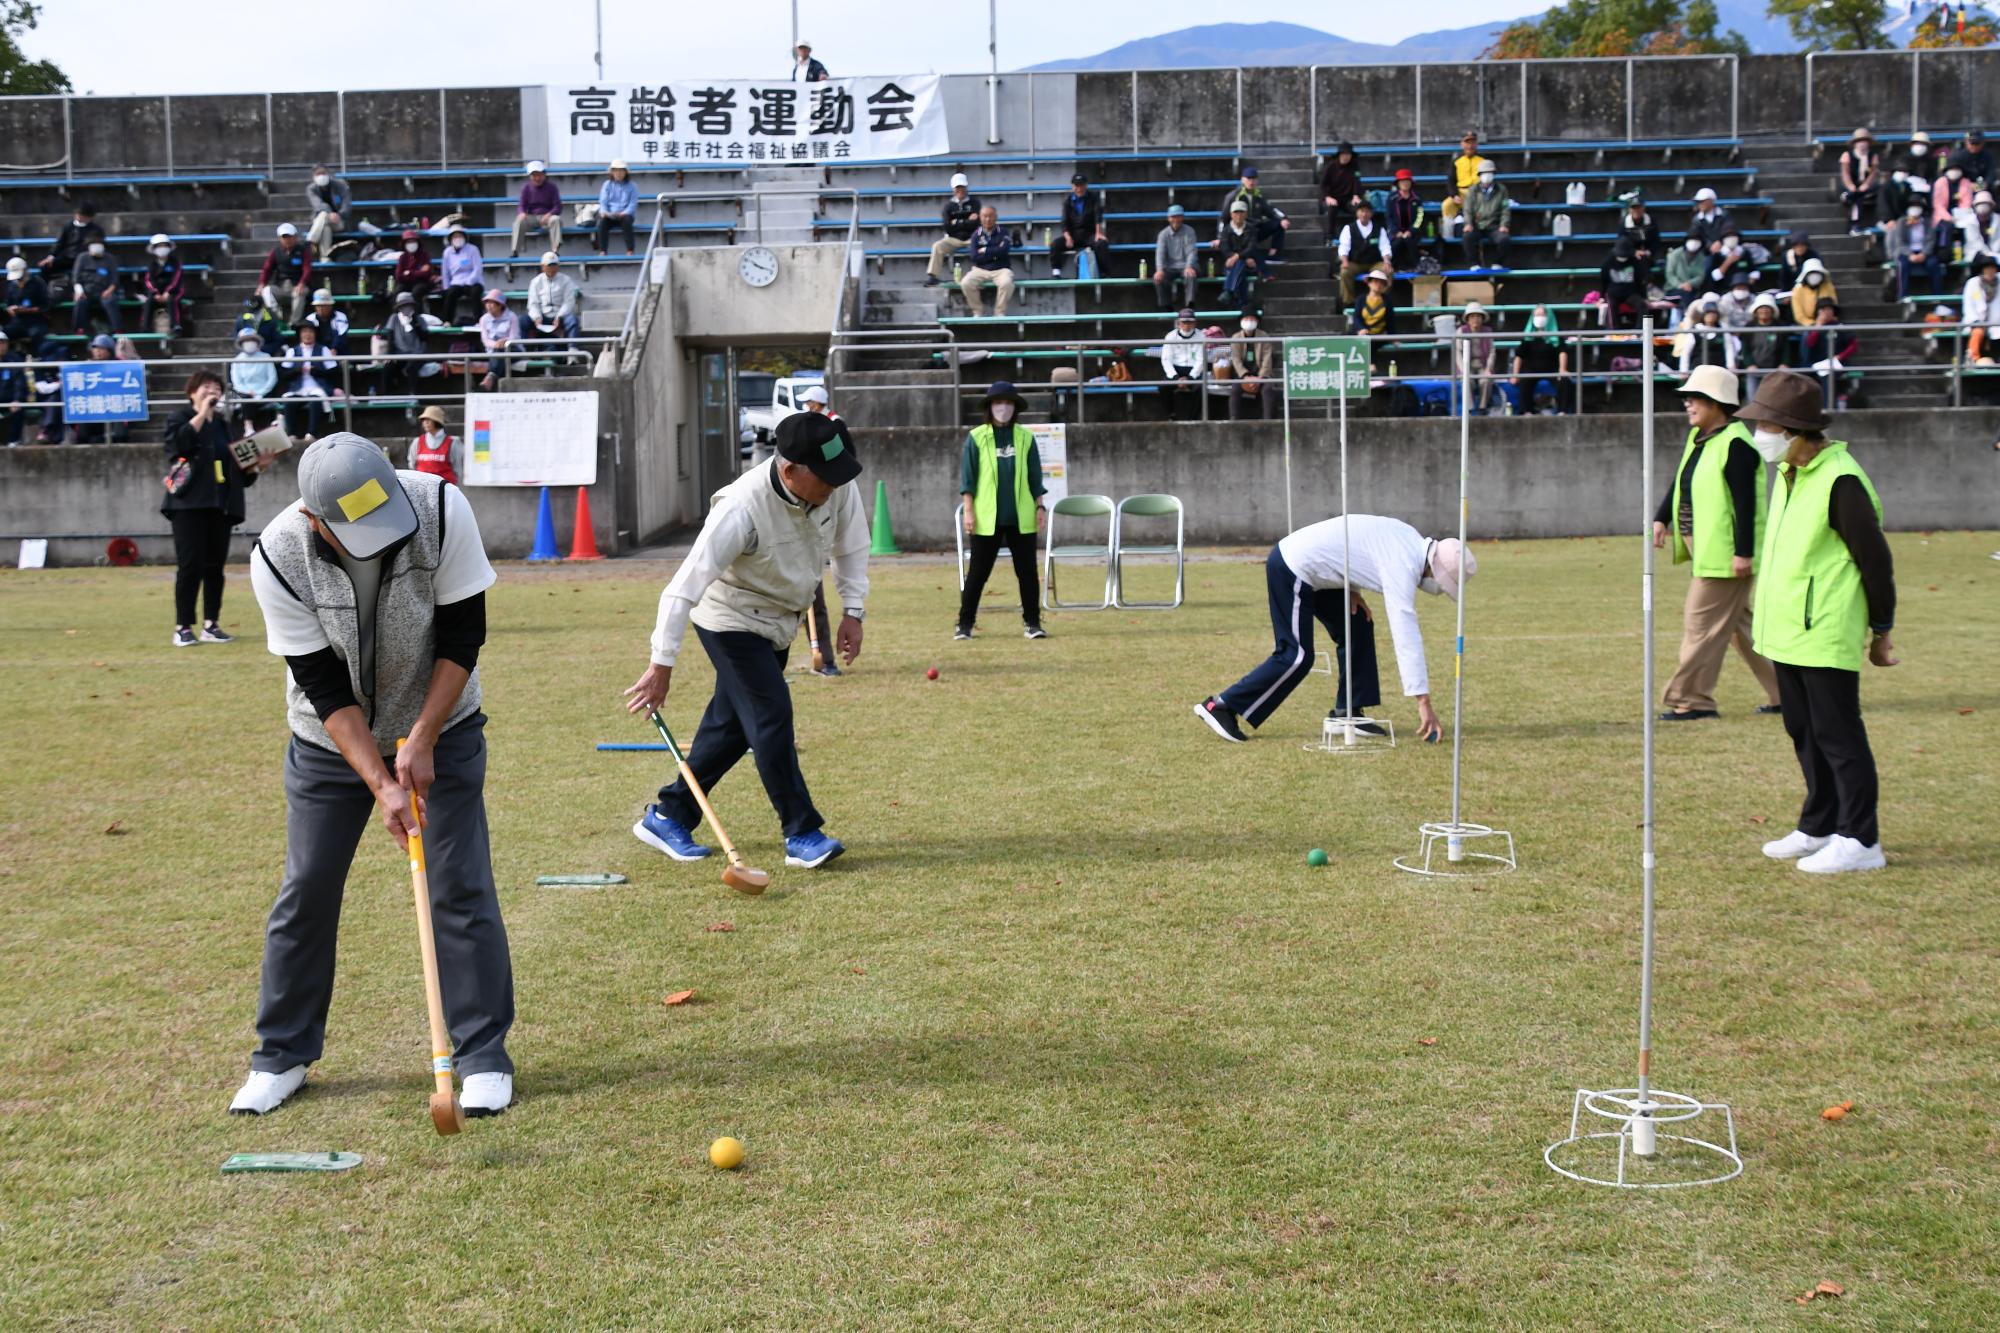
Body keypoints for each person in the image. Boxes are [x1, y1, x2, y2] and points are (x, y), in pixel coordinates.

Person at [232, 434, 514, 1117]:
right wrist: (381, 781)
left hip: (441, 726)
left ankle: (481, 1056)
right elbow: (324, 687)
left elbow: (462, 637)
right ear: (315, 519)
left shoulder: (442, 509)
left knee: (459, 881)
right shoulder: (277, 553)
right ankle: (283, 1052)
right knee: (308, 886)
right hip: (331, 743)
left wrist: (421, 738)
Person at [625, 409, 867, 870]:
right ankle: (801, 831)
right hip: (729, 619)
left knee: (733, 728)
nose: (834, 488)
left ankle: (668, 813)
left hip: (779, 620)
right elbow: (683, 587)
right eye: (825, 478)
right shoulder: (740, 507)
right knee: (771, 714)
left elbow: (852, 545)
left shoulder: (837, 484)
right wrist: (661, 664)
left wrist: (853, 611)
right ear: (790, 469)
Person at [1738, 371, 1897, 874]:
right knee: (1804, 730)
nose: (1758, 432)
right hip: (1786, 631)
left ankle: (1860, 839)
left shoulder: (1840, 478)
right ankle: (1820, 824)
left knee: (1838, 735)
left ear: (1795, 430)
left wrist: (1882, 629)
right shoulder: (1790, 473)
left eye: (1766, 423)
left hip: (1823, 629)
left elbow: (1875, 561)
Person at [1193, 514, 1472, 744]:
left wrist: (1350, 587)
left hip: (1324, 573)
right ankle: (1222, 706)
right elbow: (1405, 633)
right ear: (1437, 572)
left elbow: (1359, 545)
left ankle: (1347, 710)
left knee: (1358, 623)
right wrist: (1423, 700)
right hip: (1293, 566)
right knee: (1297, 655)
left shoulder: (1411, 540)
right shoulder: (1405, 564)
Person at [1650, 365, 1781, 722]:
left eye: (1695, 398)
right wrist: (1662, 516)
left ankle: (1692, 700)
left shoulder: (1737, 445)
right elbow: (1682, 482)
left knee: (1700, 625)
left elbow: (1746, 504)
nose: (1688, 404)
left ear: (1717, 403)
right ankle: (1790, 692)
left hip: (1725, 556)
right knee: (1742, 631)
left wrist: (1743, 552)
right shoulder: (1702, 439)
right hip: (1706, 549)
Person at [163, 369, 273, 647]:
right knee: (190, 566)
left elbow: (240, 471)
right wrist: (201, 413)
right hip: (188, 505)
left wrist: (259, 465)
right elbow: (180, 445)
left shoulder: (225, 426)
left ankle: (211, 624)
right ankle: (183, 626)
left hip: (220, 505)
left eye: (216, 388)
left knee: (215, 567)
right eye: (206, 387)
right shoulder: (180, 418)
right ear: (191, 392)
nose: (212, 391)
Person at [953, 381, 1045, 639]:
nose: (1002, 408)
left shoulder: (1026, 437)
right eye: (997, 403)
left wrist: (1040, 506)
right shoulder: (977, 437)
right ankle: (964, 624)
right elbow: (968, 479)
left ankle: (1033, 623)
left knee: (1027, 573)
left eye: (1007, 403)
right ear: (989, 407)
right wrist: (969, 511)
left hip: (1021, 516)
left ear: (1014, 407)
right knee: (978, 574)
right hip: (986, 517)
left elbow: (1035, 477)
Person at [280, 321, 338, 442]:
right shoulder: (292, 351)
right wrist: (297, 371)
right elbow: (284, 374)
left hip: (318, 388)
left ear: (315, 334)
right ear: (300, 334)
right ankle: (291, 434)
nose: (308, 334)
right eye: (305, 331)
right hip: (297, 388)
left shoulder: (323, 350)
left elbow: (333, 372)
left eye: (311, 331)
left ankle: (311, 434)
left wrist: (317, 371)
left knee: (315, 401)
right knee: (289, 402)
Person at [1218, 165, 1287, 262]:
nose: (1251, 182)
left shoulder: (1259, 195)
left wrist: (1283, 218)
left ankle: (1273, 254)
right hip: (1241, 232)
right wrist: (1220, 237)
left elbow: (1271, 210)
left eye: (1254, 179)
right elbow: (1223, 218)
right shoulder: (1233, 196)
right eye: (1248, 178)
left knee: (1279, 224)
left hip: (1256, 228)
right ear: (1242, 180)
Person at [1050, 173, 1110, 279]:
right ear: (1073, 187)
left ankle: (1105, 273)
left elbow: (1098, 216)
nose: (1079, 188)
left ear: (1086, 186)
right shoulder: (1067, 202)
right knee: (1055, 244)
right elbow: (1064, 222)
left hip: (1089, 234)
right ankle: (1056, 272)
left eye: (1081, 185)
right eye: (1076, 185)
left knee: (1101, 244)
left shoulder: (1093, 198)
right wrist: (1068, 237)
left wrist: (1098, 233)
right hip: (1073, 235)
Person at [927, 173, 982, 288]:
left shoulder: (975, 203)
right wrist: (967, 221)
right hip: (953, 238)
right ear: (953, 189)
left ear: (966, 187)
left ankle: (981, 274)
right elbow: (947, 226)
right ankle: (933, 276)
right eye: (958, 187)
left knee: (981, 245)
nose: (960, 190)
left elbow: (977, 223)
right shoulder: (948, 206)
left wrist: (956, 222)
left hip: (972, 237)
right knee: (937, 246)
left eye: (962, 187)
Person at [1511, 304, 1569, 414]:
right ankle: (1526, 411)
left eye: (1542, 315)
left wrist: (1562, 369)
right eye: (1537, 315)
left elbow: (1562, 352)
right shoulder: (1529, 336)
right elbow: (1519, 356)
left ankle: (1562, 411)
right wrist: (1515, 374)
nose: (1539, 317)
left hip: (1552, 368)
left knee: (1565, 381)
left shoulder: (1556, 333)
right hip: (1532, 369)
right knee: (1525, 381)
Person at [1335, 196, 1391, 308]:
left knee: (1388, 271)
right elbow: (1344, 247)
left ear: (1371, 213)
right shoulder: (1349, 228)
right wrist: (1345, 261)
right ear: (1357, 213)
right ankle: (1348, 303)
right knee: (1345, 272)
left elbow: (1385, 247)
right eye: (1362, 211)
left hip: (1374, 263)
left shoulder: (1379, 228)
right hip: (1355, 263)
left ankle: (1382, 301)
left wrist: (1386, 262)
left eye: (1367, 211)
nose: (1364, 214)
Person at [959, 206, 1015, 318]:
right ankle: (978, 311)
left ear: (996, 217)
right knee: (966, 283)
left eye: (990, 216)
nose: (988, 219)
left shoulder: (1004, 232)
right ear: (980, 218)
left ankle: (999, 312)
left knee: (1007, 283)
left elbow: (1004, 251)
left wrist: (985, 250)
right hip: (980, 270)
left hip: (1001, 269)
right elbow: (974, 257)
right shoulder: (976, 235)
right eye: (985, 216)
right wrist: (995, 252)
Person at [1319, 140, 1364, 273]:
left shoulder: (1355, 166)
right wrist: (1327, 197)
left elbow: (1357, 182)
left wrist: (1356, 196)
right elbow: (1323, 185)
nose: (1346, 156)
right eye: (1343, 154)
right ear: (1339, 155)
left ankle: (1358, 235)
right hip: (1334, 199)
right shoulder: (1331, 166)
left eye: (1348, 154)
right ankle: (1330, 237)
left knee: (1359, 210)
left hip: (1348, 199)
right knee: (1332, 210)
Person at [384, 290, 441, 396]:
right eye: (403, 306)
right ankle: (387, 395)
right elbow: (390, 337)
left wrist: (414, 323)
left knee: (411, 368)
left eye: (408, 305)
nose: (406, 308)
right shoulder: (394, 318)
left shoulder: (419, 319)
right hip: (399, 354)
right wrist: (389, 355)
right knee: (388, 367)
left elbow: (424, 338)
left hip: (417, 355)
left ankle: (413, 394)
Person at [1803, 302, 1858, 408]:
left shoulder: (1840, 327)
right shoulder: (1813, 328)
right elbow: (1809, 344)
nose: (1826, 313)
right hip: (1817, 363)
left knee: (1828, 375)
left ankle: (1828, 408)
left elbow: (1853, 345)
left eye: (1829, 309)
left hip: (1838, 363)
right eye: (1823, 310)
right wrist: (1818, 327)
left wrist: (1840, 356)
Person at [1885, 201, 1944, 301]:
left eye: (1917, 206)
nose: (1915, 208)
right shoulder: (1902, 222)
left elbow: (1931, 240)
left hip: (1924, 252)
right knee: (1903, 265)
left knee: (1933, 264)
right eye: (1912, 206)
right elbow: (1900, 242)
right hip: (1906, 252)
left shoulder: (1927, 222)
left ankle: (1936, 296)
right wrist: (1910, 254)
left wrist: (1924, 253)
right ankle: (1902, 296)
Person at [1459, 161, 1512, 270]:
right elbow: (1467, 209)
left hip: (1495, 226)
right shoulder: (1473, 190)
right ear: (1479, 175)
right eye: (1484, 173)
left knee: (1504, 240)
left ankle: (1498, 263)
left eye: (1490, 172)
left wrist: (1504, 225)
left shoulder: (1502, 190)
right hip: (1477, 225)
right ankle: (1474, 264)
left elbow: (1505, 209)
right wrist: (1468, 223)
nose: (1487, 175)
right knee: (1467, 237)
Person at [259, 223, 314, 325]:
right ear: (280, 238)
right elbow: (267, 269)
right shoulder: (276, 252)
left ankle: (294, 322)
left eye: (289, 236)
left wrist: (302, 283)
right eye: (284, 237)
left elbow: (307, 269)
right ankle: (276, 317)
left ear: (295, 237)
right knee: (265, 292)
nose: (287, 239)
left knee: (299, 293)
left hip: (297, 285)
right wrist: (262, 283)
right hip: (281, 287)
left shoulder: (303, 251)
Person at [527, 251, 581, 352]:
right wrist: (536, 317)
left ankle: (572, 349)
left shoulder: (566, 280)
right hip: (542, 316)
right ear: (543, 267)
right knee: (523, 321)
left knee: (573, 320)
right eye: (549, 265)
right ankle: (522, 350)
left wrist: (559, 316)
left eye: (554, 265)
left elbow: (569, 302)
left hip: (560, 315)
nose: (552, 268)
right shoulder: (535, 282)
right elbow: (533, 303)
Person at [1228, 312, 1277, 421]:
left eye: (1252, 319)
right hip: (1243, 375)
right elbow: (1235, 359)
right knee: (1235, 389)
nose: (1249, 321)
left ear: (1256, 321)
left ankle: (1268, 420)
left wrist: (1260, 378)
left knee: (1268, 389)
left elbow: (1267, 359)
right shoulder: (1236, 337)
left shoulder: (1264, 336)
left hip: (1261, 375)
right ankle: (1233, 419)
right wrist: (1245, 376)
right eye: (1246, 318)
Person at [1740, 293, 1791, 398]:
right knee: (1753, 399)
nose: (1764, 311)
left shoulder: (1780, 327)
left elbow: (1786, 348)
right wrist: (1750, 364)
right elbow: (1745, 349)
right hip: (1754, 370)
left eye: (1767, 308)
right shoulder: (1749, 327)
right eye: (1761, 308)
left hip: (1775, 370)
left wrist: (1784, 363)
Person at [1159, 308, 1206, 422]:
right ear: (1179, 323)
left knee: (1201, 387)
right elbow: (1166, 359)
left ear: (1195, 323)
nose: (1187, 325)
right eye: (1184, 322)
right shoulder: (1170, 336)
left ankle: (1193, 418)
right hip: (1175, 370)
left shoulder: (1201, 336)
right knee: (1163, 386)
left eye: (1190, 322)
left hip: (1193, 370)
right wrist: (1175, 378)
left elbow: (1201, 361)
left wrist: (1190, 378)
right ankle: (1171, 414)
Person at [1152, 204, 1200, 312]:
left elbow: (1191, 251)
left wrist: (1189, 266)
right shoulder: (1163, 234)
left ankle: (1190, 305)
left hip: (1187, 265)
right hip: (1171, 266)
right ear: (1168, 218)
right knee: (1159, 278)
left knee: (1191, 274)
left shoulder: (1189, 231)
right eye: (1173, 216)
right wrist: (1159, 270)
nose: (1176, 219)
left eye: (1178, 216)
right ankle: (1166, 306)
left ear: (1182, 217)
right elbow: (1160, 253)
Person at [69, 237, 121, 336]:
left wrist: (109, 291)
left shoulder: (110, 258)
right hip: (86, 291)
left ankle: (117, 329)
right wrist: (79, 291)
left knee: (111, 301)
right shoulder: (82, 257)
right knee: (81, 302)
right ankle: (79, 329)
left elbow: (115, 279)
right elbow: (76, 277)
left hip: (105, 291)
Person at [511, 160, 563, 258]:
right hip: (532, 217)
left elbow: (558, 206)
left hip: (547, 216)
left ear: (544, 174)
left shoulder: (552, 187)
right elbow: (521, 205)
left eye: (539, 175)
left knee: (556, 220)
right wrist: (522, 213)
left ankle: (555, 249)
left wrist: (549, 214)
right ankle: (515, 250)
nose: (537, 178)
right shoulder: (526, 188)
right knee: (518, 221)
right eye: (534, 175)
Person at [1219, 199, 1263, 312]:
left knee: (1240, 263)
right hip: (1235, 264)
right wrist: (1237, 258)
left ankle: (1229, 290)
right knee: (1240, 267)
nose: (1239, 215)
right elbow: (1225, 248)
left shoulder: (1251, 229)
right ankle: (1242, 302)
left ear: (1246, 214)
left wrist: (1236, 257)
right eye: (1236, 212)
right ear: (1231, 214)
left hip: (1248, 263)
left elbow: (1251, 247)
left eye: (1241, 212)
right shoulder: (1226, 230)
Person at [229, 327, 279, 424]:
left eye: (251, 340)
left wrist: (260, 392)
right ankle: (248, 427)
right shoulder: (236, 361)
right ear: (241, 343)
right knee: (246, 400)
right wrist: (249, 392)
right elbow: (237, 383)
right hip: (245, 394)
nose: (249, 343)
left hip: (265, 392)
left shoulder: (266, 357)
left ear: (256, 341)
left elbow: (272, 378)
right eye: (246, 340)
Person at [1456, 302, 1499, 412]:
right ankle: (1469, 408)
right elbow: (1458, 353)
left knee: (1486, 379)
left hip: (1482, 364)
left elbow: (1492, 352)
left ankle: (1482, 407)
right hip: (1467, 364)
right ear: (1468, 318)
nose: (1476, 319)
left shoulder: (1488, 331)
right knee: (1466, 380)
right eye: (1473, 316)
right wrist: (1463, 369)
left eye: (1478, 316)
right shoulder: (1461, 331)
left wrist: (1488, 368)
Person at [3, 255, 51, 354]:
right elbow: (8, 303)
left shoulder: (38, 283)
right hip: (17, 322)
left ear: (25, 270)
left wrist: (26, 310)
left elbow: (45, 305)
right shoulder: (12, 286)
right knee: (4, 333)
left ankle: (38, 358)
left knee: (37, 334)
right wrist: (10, 310)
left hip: (35, 322)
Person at [440, 225, 485, 327]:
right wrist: (446, 287)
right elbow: (445, 272)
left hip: (473, 282)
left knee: (476, 292)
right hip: (456, 283)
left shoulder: (473, 249)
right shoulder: (447, 253)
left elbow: (477, 268)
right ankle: (447, 320)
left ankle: (479, 321)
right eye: (455, 237)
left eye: (460, 236)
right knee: (450, 294)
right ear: (450, 239)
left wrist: (469, 282)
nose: (457, 239)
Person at [39, 202, 101, 276]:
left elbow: (99, 244)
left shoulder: (96, 229)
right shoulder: (68, 227)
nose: (79, 216)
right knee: (45, 266)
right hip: (68, 258)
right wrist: (51, 257)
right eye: (78, 214)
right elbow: (59, 243)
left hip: (87, 259)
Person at [143, 234, 187, 337]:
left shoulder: (175, 262)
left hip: (174, 290)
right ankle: (145, 327)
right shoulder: (152, 264)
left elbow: (176, 279)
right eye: (158, 246)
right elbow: (149, 280)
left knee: (173, 300)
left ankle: (175, 325)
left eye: (164, 245)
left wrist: (168, 292)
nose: (162, 248)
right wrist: (155, 293)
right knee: (149, 301)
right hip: (157, 292)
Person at [1838, 128, 1881, 236]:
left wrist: (1866, 184)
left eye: (1864, 141)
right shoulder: (1847, 155)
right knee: (1856, 195)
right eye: (1859, 141)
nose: (1862, 144)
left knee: (1858, 196)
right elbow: (1845, 173)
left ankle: (1848, 199)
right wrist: (1850, 185)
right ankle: (1855, 224)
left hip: (1866, 185)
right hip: (1851, 184)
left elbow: (1873, 173)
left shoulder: (1873, 156)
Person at [476, 289, 522, 388]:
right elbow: (485, 340)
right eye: (487, 302)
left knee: (500, 352)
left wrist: (504, 342)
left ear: (500, 305)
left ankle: (490, 377)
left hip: (512, 349)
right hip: (493, 350)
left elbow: (514, 337)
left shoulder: (512, 317)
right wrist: (496, 344)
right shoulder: (484, 319)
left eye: (492, 303)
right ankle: (492, 379)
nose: (488, 305)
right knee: (499, 353)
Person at [408, 403, 464, 483]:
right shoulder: (417, 441)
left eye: (428, 419)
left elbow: (457, 469)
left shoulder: (452, 443)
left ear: (437, 421)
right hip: (422, 488)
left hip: (445, 489)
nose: (425, 422)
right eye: (424, 419)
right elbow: (412, 465)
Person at [1386, 169, 1427, 271]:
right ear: (1398, 183)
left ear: (1411, 183)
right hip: (1396, 232)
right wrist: (1396, 231)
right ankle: (1395, 267)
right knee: (1397, 243)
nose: (1405, 183)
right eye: (1402, 181)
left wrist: (1411, 231)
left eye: (1407, 181)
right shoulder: (1391, 198)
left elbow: (1420, 217)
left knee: (1409, 241)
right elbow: (1388, 216)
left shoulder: (1417, 199)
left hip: (1413, 232)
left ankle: (1416, 266)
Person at [1962, 253, 2000, 365]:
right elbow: (1968, 306)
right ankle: (1972, 358)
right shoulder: (1972, 283)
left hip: (1996, 322)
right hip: (1977, 321)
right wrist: (1976, 321)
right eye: (1987, 269)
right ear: (1983, 270)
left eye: (1992, 269)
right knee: (1977, 332)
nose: (1990, 272)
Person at [305, 165, 352, 254]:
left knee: (323, 216)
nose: (321, 176)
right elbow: (318, 204)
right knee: (325, 226)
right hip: (322, 222)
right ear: (313, 176)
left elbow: (347, 204)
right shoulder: (311, 189)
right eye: (318, 174)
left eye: (323, 173)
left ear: (328, 174)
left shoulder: (340, 185)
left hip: (339, 221)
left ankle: (311, 241)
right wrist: (330, 213)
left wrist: (339, 214)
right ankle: (325, 257)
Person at [1679, 299, 1735, 374]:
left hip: (1718, 370)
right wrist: (1684, 370)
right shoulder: (1695, 330)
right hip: (1698, 370)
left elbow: (1729, 349)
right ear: (1703, 315)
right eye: (1708, 313)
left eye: (1713, 313)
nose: (1711, 316)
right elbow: (1686, 352)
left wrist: (1731, 366)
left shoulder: (1723, 330)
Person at [595, 159, 638, 256]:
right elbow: (603, 202)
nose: (618, 173)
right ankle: (603, 250)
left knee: (627, 222)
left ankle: (630, 250)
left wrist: (624, 213)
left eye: (621, 170)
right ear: (612, 172)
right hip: (610, 214)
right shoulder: (607, 185)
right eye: (615, 170)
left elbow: (632, 204)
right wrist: (604, 212)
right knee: (602, 223)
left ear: (625, 172)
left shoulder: (632, 186)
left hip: (625, 214)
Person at [1351, 265, 1395, 353]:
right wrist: (1361, 329)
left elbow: (1391, 321)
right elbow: (1357, 317)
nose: (1378, 285)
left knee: (1372, 342)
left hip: (1379, 335)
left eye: (1381, 283)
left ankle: (1371, 365)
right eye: (1375, 281)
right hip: (1363, 333)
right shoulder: (1361, 299)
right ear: (1369, 283)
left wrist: (1394, 337)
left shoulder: (1387, 301)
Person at [393, 228, 437, 306]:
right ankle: (396, 316)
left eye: (413, 241)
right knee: (396, 293)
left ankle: (417, 316)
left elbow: (427, 273)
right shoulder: (402, 257)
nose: (411, 244)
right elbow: (399, 276)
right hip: (406, 283)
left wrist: (409, 272)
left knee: (417, 293)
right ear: (404, 244)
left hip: (423, 283)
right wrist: (418, 272)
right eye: (408, 242)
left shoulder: (424, 255)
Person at [1789, 257, 1836, 326]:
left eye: (1816, 273)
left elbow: (1834, 306)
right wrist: (1814, 325)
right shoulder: (1797, 290)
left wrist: (1825, 321)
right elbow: (1799, 316)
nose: (1814, 276)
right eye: (1811, 273)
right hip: (1808, 326)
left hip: (1828, 323)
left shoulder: (1828, 286)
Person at [1618, 194, 1661, 267]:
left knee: (1643, 262)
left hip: (1647, 255)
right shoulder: (1624, 223)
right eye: (1633, 207)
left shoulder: (1651, 221)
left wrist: (1648, 252)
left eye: (1638, 207)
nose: (1636, 210)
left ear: (1643, 208)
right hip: (1629, 255)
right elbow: (1621, 243)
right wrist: (1634, 252)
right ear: (1629, 209)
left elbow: (1656, 240)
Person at [0, 330, 26, 446]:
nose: (1, 345)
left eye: (3, 342)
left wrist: (17, 399)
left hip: (10, 399)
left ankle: (14, 440)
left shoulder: (14, 360)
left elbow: (19, 382)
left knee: (18, 409)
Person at [1689, 188, 1734, 255]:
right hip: (1706, 251)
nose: (1699, 204)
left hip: (1725, 248)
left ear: (1711, 201)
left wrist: (1720, 242)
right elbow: (1698, 236)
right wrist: (1710, 245)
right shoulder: (1697, 219)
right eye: (1698, 202)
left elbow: (1729, 231)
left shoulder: (1724, 214)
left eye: (1702, 201)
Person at [305, 288, 348, 355]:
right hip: (316, 354)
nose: (321, 308)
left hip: (338, 353)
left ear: (330, 306)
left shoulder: (341, 317)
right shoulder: (310, 319)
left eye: (324, 305)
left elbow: (341, 335)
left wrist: (334, 348)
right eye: (318, 306)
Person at [1932, 160, 1975, 228]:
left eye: (1956, 169)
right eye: (1952, 169)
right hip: (1943, 216)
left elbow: (1967, 202)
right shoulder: (1940, 182)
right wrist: (1949, 218)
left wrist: (1960, 217)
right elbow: (1938, 205)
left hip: (1962, 216)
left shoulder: (1966, 183)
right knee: (1946, 227)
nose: (1954, 171)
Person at [1961, 190, 1999, 264]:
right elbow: (1975, 242)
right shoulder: (1970, 221)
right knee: (1986, 260)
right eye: (1980, 204)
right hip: (1976, 254)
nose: (1982, 207)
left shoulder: (1997, 220)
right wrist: (1989, 254)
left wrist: (1994, 254)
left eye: (1985, 204)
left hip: (1996, 254)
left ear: (1991, 205)